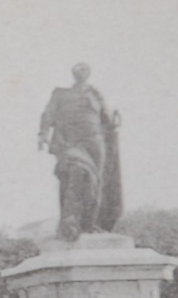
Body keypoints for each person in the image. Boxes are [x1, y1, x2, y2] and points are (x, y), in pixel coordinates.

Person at [37, 62, 122, 241]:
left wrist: (114, 121)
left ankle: (90, 224)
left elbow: (106, 120)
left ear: (88, 74)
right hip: (70, 141)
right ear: (73, 73)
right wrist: (43, 134)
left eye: (84, 70)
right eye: (78, 70)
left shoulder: (95, 94)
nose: (81, 72)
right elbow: (48, 114)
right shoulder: (61, 94)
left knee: (94, 182)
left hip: (94, 141)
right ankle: (70, 222)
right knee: (74, 174)